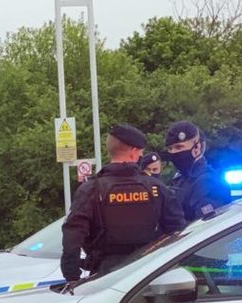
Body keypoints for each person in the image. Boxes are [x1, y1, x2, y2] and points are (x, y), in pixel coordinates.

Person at [61, 125, 186, 284]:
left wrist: (72, 276)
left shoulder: (92, 189)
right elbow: (177, 231)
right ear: (133, 151)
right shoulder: (156, 187)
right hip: (149, 273)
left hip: (104, 275)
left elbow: (72, 233)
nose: (141, 156)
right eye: (140, 152)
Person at [163, 120, 231, 221]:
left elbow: (205, 228)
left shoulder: (207, 181)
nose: (173, 153)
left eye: (179, 147)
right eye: (170, 149)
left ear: (197, 148)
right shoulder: (180, 179)